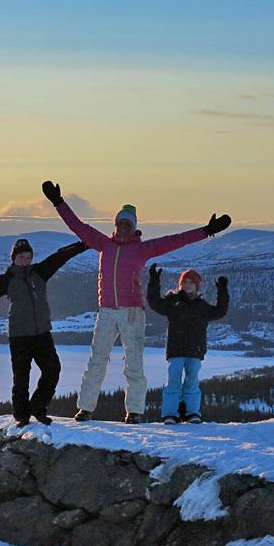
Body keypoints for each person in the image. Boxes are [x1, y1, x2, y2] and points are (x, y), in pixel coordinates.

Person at [42, 180, 230, 422]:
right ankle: (86, 408)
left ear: (134, 227)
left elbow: (176, 240)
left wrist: (207, 231)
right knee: (97, 360)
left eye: (128, 224)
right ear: (116, 224)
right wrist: (59, 203)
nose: (123, 227)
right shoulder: (103, 244)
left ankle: (135, 411)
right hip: (107, 311)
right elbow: (77, 225)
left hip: (132, 312)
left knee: (134, 364)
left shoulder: (142, 249)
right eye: (120, 223)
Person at [0, 237, 89, 426]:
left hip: (42, 333)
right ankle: (21, 415)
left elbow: (60, 256)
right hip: (19, 336)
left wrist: (83, 244)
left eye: (28, 257)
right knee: (21, 377)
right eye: (21, 257)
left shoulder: (40, 272)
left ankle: (38, 407)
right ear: (14, 258)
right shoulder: (7, 280)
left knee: (52, 369)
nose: (26, 261)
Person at [147, 266, 229, 423]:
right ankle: (170, 414)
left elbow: (220, 311)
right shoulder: (173, 301)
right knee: (173, 383)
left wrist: (222, 290)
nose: (187, 284)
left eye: (191, 282)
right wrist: (154, 281)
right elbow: (155, 303)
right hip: (176, 350)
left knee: (192, 382)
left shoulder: (202, 306)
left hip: (195, 351)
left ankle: (192, 413)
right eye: (184, 281)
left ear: (197, 285)